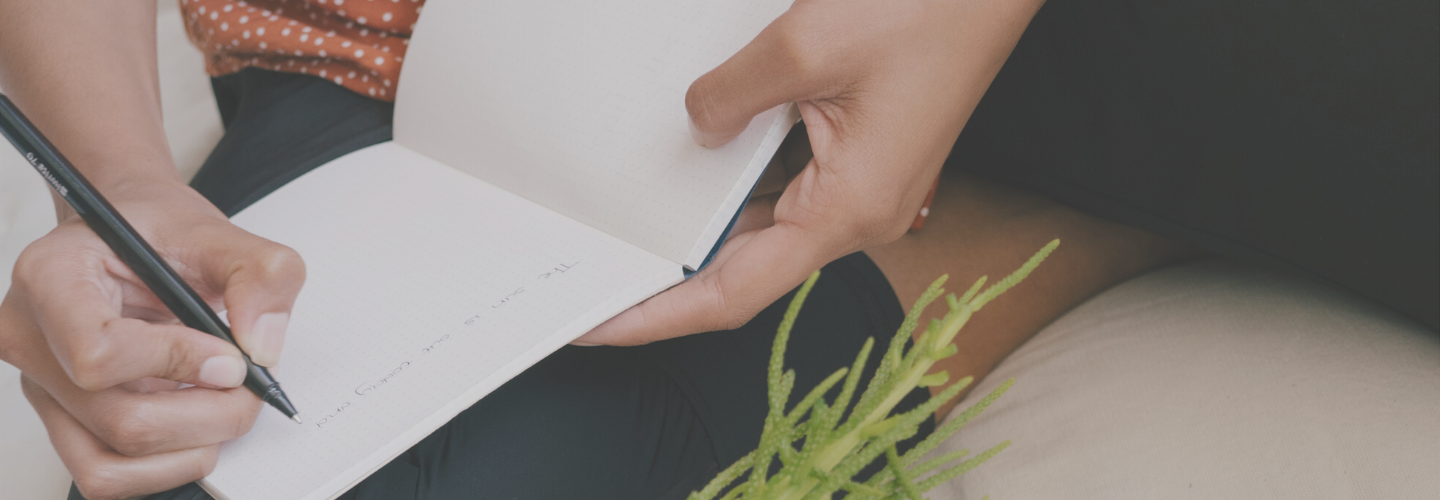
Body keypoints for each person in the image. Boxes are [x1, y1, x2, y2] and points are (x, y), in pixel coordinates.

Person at [0, 1, 1432, 499]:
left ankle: (1032, 203)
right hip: (406, 74)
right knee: (229, 477)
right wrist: (122, 188)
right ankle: (1020, 241)